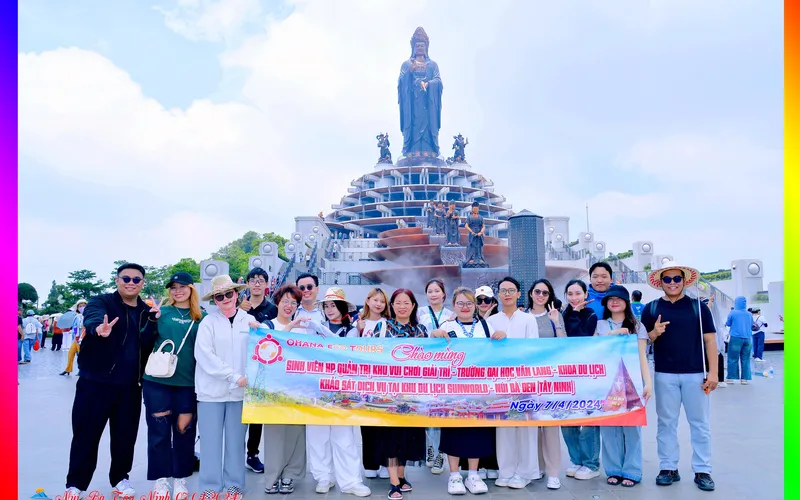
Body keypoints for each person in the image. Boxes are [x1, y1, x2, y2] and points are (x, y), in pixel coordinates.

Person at [64, 263, 154, 499]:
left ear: (142, 283)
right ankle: (75, 484)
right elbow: (91, 318)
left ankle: (120, 478)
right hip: (95, 383)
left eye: (137, 279)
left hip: (130, 388)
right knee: (85, 435)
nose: (131, 283)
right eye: (126, 278)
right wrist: (97, 328)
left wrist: (154, 322)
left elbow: (148, 345)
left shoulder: (146, 311)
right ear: (117, 280)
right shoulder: (102, 302)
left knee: (125, 437)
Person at [642, 262, 718, 491]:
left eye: (677, 279)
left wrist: (713, 373)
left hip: (696, 374)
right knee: (666, 423)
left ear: (685, 281)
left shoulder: (698, 307)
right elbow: (643, 342)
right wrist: (654, 333)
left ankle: (703, 470)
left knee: (700, 424)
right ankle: (668, 467)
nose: (673, 283)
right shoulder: (651, 308)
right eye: (668, 279)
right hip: (664, 374)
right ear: (661, 282)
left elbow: (710, 341)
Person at [430, 287, 506, 495]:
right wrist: (433, 334)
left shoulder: (486, 326)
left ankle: (473, 474)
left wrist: (502, 336)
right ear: (453, 305)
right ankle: (454, 476)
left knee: (477, 431)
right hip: (453, 390)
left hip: (480, 390)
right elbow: (433, 350)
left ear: (475, 306)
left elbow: (498, 351)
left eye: (469, 303)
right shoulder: (446, 325)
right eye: (461, 303)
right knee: (454, 430)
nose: (465, 307)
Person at [140, 272, 206, 498]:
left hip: (188, 384)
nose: (177, 291)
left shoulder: (202, 317)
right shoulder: (162, 312)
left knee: (184, 431)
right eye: (173, 287)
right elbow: (144, 342)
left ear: (191, 288)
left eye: (182, 286)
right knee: (158, 432)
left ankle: (181, 478)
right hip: (157, 382)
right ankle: (160, 479)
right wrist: (151, 320)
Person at [305, 288, 371, 497]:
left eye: (333, 305)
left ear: (342, 307)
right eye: (326, 305)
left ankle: (351, 481)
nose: (329, 309)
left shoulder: (350, 330)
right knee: (317, 435)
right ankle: (323, 476)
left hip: (343, 389)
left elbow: (342, 349)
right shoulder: (314, 328)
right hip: (317, 386)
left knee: (344, 437)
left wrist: (321, 331)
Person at [194, 274, 251, 499]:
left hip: (240, 393)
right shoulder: (208, 322)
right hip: (211, 392)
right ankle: (210, 486)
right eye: (220, 296)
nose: (225, 298)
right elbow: (205, 355)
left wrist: (245, 378)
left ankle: (235, 484)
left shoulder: (249, 320)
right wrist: (233, 376)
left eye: (229, 294)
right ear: (214, 300)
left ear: (237, 294)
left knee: (236, 442)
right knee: (210, 442)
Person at [594, 285, 653, 488]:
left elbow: (642, 357)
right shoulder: (600, 325)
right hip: (606, 383)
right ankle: (613, 470)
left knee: (632, 429)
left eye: (618, 299)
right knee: (609, 428)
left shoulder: (638, 326)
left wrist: (648, 383)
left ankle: (632, 470)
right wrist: (615, 333)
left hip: (632, 382)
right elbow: (594, 349)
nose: (614, 302)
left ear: (627, 302)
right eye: (610, 299)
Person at [373, 289, 428, 500]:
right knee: (391, 436)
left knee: (407, 437)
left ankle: (402, 476)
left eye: (407, 302)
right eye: (398, 302)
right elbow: (374, 354)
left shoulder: (420, 330)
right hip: (389, 393)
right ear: (392, 306)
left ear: (413, 305)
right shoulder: (383, 327)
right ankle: (393, 482)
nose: (402, 306)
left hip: (413, 393)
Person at [486, 277, 540, 490]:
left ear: (519, 294)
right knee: (504, 426)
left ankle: (526, 471)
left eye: (511, 290)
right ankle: (506, 470)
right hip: (500, 382)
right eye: (503, 290)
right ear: (498, 295)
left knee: (526, 427)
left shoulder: (528, 320)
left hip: (524, 380)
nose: (507, 294)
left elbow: (533, 350)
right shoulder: (491, 321)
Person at [262, 284, 309, 495]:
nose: (289, 306)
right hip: (272, 391)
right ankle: (272, 476)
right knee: (274, 435)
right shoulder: (266, 326)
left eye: (294, 302)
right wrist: (290, 328)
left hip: (297, 390)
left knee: (296, 433)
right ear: (277, 302)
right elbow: (270, 349)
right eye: (285, 301)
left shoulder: (303, 329)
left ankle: (291, 474)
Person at [525, 279, 565, 489]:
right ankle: (536, 467)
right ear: (531, 293)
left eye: (545, 293)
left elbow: (563, 344)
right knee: (531, 425)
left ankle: (553, 472)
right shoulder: (522, 316)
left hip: (549, 378)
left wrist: (557, 321)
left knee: (550, 426)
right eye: (537, 291)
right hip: (525, 379)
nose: (541, 295)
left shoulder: (554, 316)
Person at [238, 267, 278, 474]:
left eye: (260, 280)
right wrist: (239, 310)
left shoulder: (272, 309)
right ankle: (234, 453)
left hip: (260, 366)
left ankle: (252, 454)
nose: (256, 283)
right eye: (252, 280)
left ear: (266, 284)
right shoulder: (236, 307)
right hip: (236, 364)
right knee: (235, 411)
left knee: (255, 411)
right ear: (247, 283)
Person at [560, 279, 600, 480]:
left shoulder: (591, 314)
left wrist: (575, 314)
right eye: (570, 293)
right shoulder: (561, 314)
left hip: (586, 373)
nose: (574, 298)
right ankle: (576, 460)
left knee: (588, 420)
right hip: (564, 373)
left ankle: (591, 464)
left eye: (577, 293)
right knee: (567, 420)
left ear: (586, 294)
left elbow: (579, 338)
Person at [417, 278, 452, 475]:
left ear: (443, 294)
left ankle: (440, 453)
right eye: (430, 291)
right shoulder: (420, 313)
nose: (433, 294)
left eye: (437, 290)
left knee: (441, 412)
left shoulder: (451, 314)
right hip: (425, 368)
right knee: (427, 411)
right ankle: (430, 448)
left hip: (446, 369)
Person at [725, 297, 753, 384]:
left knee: (733, 358)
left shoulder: (733, 312)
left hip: (736, 338)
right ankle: (744, 379)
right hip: (748, 338)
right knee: (746, 359)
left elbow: (728, 323)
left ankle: (731, 378)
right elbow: (751, 324)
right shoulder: (749, 314)